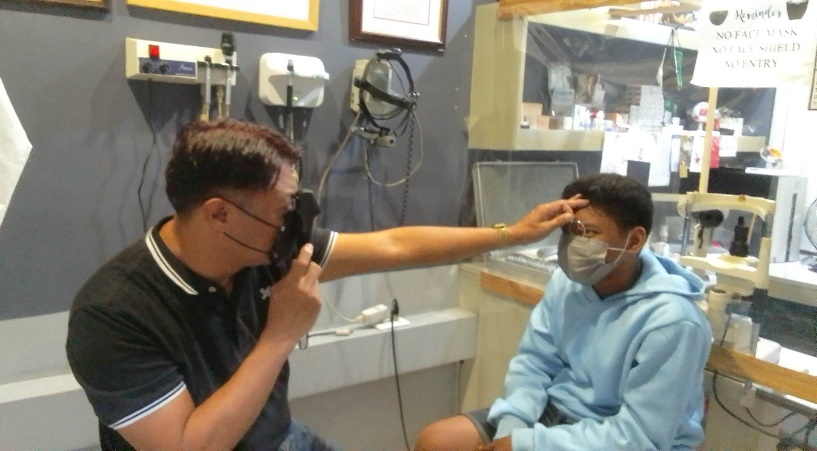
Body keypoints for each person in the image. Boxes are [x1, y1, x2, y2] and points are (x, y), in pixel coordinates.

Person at [65, 118, 587, 450]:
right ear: (220, 214)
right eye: (281, 211)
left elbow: (393, 246)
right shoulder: (112, 313)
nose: (295, 226)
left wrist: (510, 233)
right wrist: (280, 334)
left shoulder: (263, 244)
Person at [415, 173, 712, 451]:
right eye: (569, 231)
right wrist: (512, 429)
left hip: (615, 436)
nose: (573, 243)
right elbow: (534, 364)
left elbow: (639, 437)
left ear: (634, 241)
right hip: (553, 413)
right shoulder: (566, 283)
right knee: (438, 440)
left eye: (589, 233)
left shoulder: (674, 321)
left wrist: (527, 446)